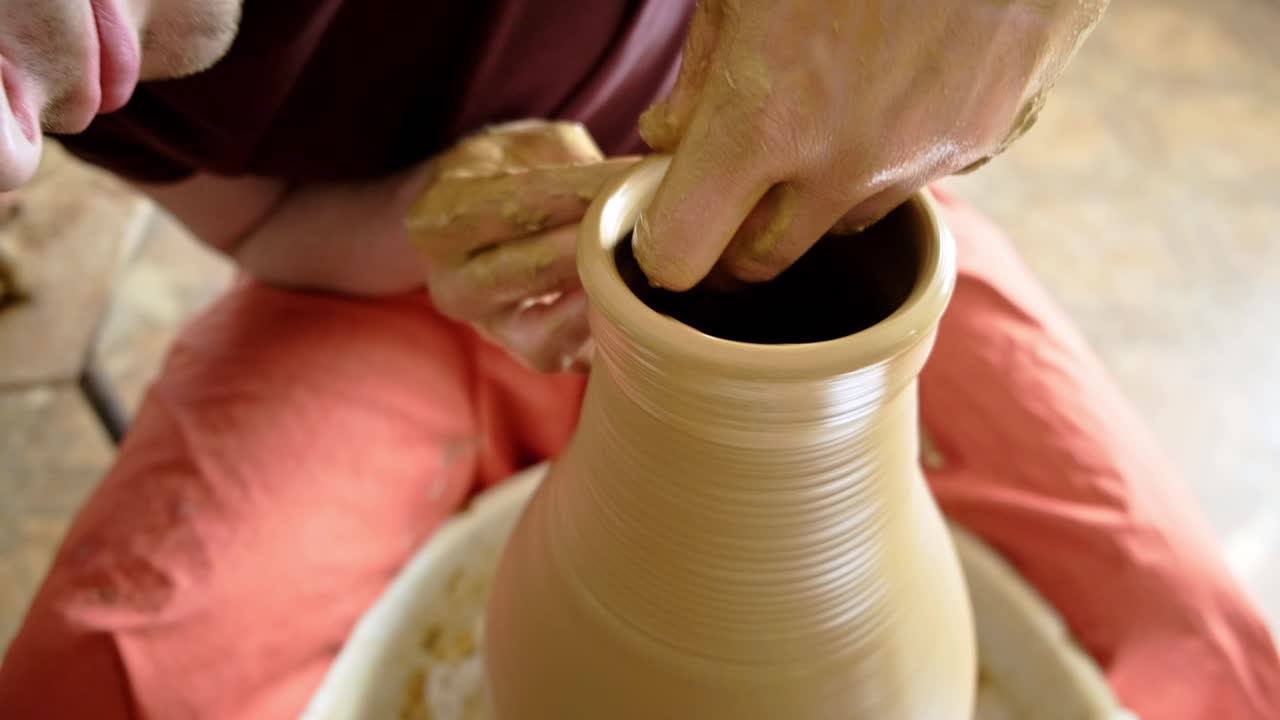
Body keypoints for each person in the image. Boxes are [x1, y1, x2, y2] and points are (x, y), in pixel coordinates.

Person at [0, 1, 1276, 718]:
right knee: (115, 678)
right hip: (433, 281)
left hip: (820, 222)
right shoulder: (80, 72)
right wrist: (447, 218)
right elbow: (273, 222)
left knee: (1198, 650)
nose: (14, 146)